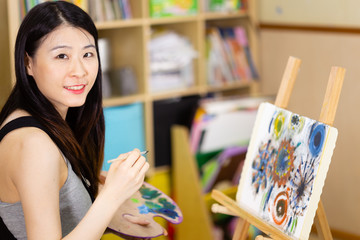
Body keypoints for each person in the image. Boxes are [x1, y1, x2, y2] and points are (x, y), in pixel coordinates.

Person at [0, 1, 149, 239]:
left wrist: (111, 202)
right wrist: (112, 196)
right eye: (62, 56)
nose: (79, 70)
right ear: (28, 63)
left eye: (88, 54)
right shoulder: (33, 145)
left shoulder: (45, 119)